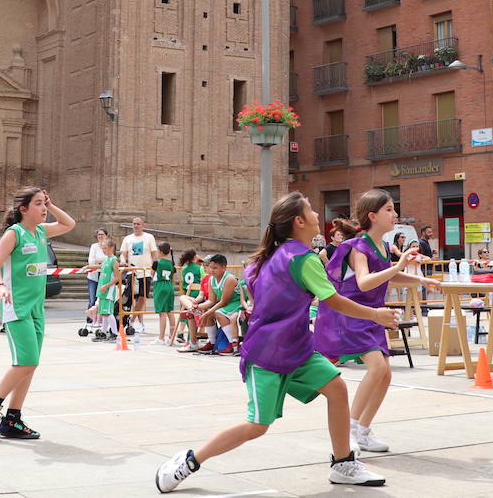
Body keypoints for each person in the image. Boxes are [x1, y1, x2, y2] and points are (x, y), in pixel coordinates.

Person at [154, 192, 399, 492]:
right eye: (310, 210)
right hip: (268, 354)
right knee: (257, 426)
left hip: (296, 348)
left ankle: (342, 462)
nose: (315, 214)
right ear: (298, 221)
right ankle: (189, 461)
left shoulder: (268, 257)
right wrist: (375, 314)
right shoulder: (303, 259)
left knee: (337, 388)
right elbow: (333, 300)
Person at [316, 200, 437, 455]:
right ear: (373, 216)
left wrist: (419, 279)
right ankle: (347, 429)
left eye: (394, 209)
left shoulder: (382, 246)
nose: (395, 214)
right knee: (377, 367)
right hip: (353, 312)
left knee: (385, 374)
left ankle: (363, 430)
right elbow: (363, 282)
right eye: (389, 210)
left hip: (374, 315)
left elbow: (388, 274)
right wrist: (398, 265)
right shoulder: (359, 247)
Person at [0, 187, 77, 440]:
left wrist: (52, 205)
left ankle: (12, 420)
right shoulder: (15, 233)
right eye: (39, 204)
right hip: (15, 304)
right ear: (24, 209)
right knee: (27, 361)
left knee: (28, 366)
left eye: (45, 203)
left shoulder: (41, 231)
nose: (43, 208)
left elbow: (69, 223)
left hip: (35, 307)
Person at [119, 216, 159, 335]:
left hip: (145, 272)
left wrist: (153, 269)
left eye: (138, 224)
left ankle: (132, 320)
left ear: (142, 225)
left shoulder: (149, 237)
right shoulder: (127, 239)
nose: (135, 226)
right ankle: (136, 322)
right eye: (134, 224)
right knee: (131, 298)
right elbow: (123, 254)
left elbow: (154, 254)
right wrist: (122, 261)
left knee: (142, 297)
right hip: (132, 271)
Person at [195, 254, 241, 356]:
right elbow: (211, 301)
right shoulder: (211, 279)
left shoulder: (229, 279)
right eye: (210, 267)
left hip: (237, 303)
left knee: (218, 313)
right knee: (209, 313)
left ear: (224, 267)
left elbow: (223, 302)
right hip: (226, 305)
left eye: (215, 268)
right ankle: (212, 343)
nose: (212, 270)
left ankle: (232, 344)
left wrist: (206, 313)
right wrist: (198, 307)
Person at [92, 237, 120, 341]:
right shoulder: (106, 260)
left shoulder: (114, 260)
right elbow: (100, 267)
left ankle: (115, 333)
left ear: (111, 248)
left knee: (107, 312)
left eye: (105, 248)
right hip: (102, 289)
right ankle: (103, 332)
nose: (103, 250)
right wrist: (88, 266)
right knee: (103, 312)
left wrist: (106, 286)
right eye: (102, 248)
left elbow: (117, 277)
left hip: (109, 289)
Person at [154, 241, 177, 346]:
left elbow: (152, 274)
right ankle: (171, 337)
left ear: (160, 251)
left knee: (162, 313)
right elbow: (174, 277)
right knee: (170, 312)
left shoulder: (157, 263)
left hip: (160, 286)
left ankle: (161, 338)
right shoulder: (171, 264)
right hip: (169, 286)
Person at [86, 228, 109, 323]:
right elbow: (91, 261)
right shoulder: (94, 246)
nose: (100, 236)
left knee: (101, 300)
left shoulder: (108, 246)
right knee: (92, 299)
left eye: (102, 234)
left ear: (106, 236)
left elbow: (110, 259)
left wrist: (99, 261)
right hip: (93, 276)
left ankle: (100, 321)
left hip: (104, 277)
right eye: (99, 234)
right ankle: (90, 320)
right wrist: (101, 262)